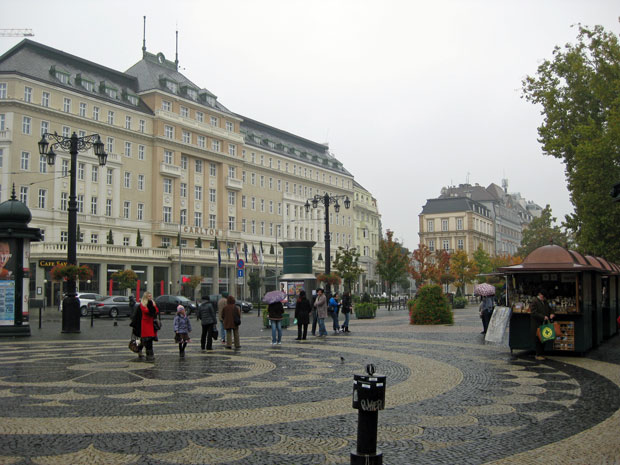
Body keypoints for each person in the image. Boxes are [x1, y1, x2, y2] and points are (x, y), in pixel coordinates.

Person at [530, 289, 554, 361]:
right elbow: (533, 313)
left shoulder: (545, 301)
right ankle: (538, 354)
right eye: (543, 297)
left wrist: (552, 313)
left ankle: (542, 354)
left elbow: (550, 309)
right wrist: (543, 317)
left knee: (544, 339)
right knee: (538, 339)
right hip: (537, 324)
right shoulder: (534, 301)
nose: (544, 298)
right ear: (540, 295)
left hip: (544, 323)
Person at [139, 291, 159, 362]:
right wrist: (151, 308)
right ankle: (148, 354)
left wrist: (153, 307)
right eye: (149, 296)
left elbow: (156, 310)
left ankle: (150, 354)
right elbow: (146, 311)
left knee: (150, 339)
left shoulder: (152, 303)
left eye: (151, 296)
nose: (150, 297)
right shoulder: (143, 304)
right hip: (146, 323)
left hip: (151, 322)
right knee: (146, 340)